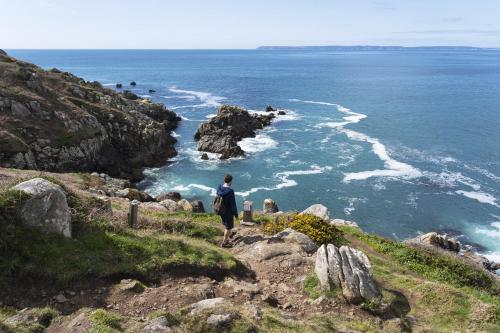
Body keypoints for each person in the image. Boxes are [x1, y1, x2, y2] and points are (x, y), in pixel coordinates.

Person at [216, 174, 238, 248]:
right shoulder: (230, 191)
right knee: (228, 228)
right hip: (228, 212)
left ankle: (228, 235)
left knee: (226, 225)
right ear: (230, 181)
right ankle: (224, 243)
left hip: (221, 210)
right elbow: (233, 204)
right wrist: (236, 214)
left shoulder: (220, 188)